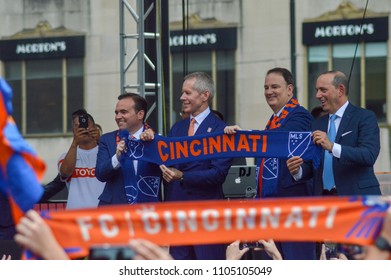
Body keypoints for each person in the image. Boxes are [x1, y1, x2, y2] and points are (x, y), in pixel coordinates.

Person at [224, 67, 316, 260]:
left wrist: (246, 136)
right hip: (269, 209)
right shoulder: (273, 121)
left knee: (296, 265)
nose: (269, 91)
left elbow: (279, 140)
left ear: (290, 90)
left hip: (293, 210)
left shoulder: (300, 116)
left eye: (275, 86)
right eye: (266, 87)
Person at [141, 72, 232, 260]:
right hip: (177, 217)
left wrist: (181, 176)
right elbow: (165, 162)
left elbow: (217, 174)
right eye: (182, 93)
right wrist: (149, 141)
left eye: (187, 93)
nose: (182, 97)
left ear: (205, 95)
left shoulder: (219, 130)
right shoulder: (177, 128)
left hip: (206, 218)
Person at [287, 70, 381, 196]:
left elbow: (368, 155)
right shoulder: (316, 124)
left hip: (357, 199)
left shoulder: (364, 117)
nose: (318, 95)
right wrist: (297, 170)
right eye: (317, 90)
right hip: (323, 199)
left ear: (340, 90)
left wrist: (332, 146)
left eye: (323, 90)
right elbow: (312, 165)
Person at [96, 93, 161, 206]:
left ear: (140, 114)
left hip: (148, 209)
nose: (117, 116)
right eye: (116, 113)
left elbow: (168, 175)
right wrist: (117, 158)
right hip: (114, 209)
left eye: (123, 112)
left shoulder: (157, 141)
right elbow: (100, 174)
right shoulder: (107, 140)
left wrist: (152, 145)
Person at [58, 109, 104, 209]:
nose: (83, 128)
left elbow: (116, 163)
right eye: (77, 126)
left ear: (95, 128)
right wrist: (75, 142)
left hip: (102, 215)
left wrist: (100, 140)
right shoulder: (65, 157)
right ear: (73, 131)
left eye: (86, 124)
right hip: (75, 218)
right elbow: (65, 172)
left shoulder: (105, 152)